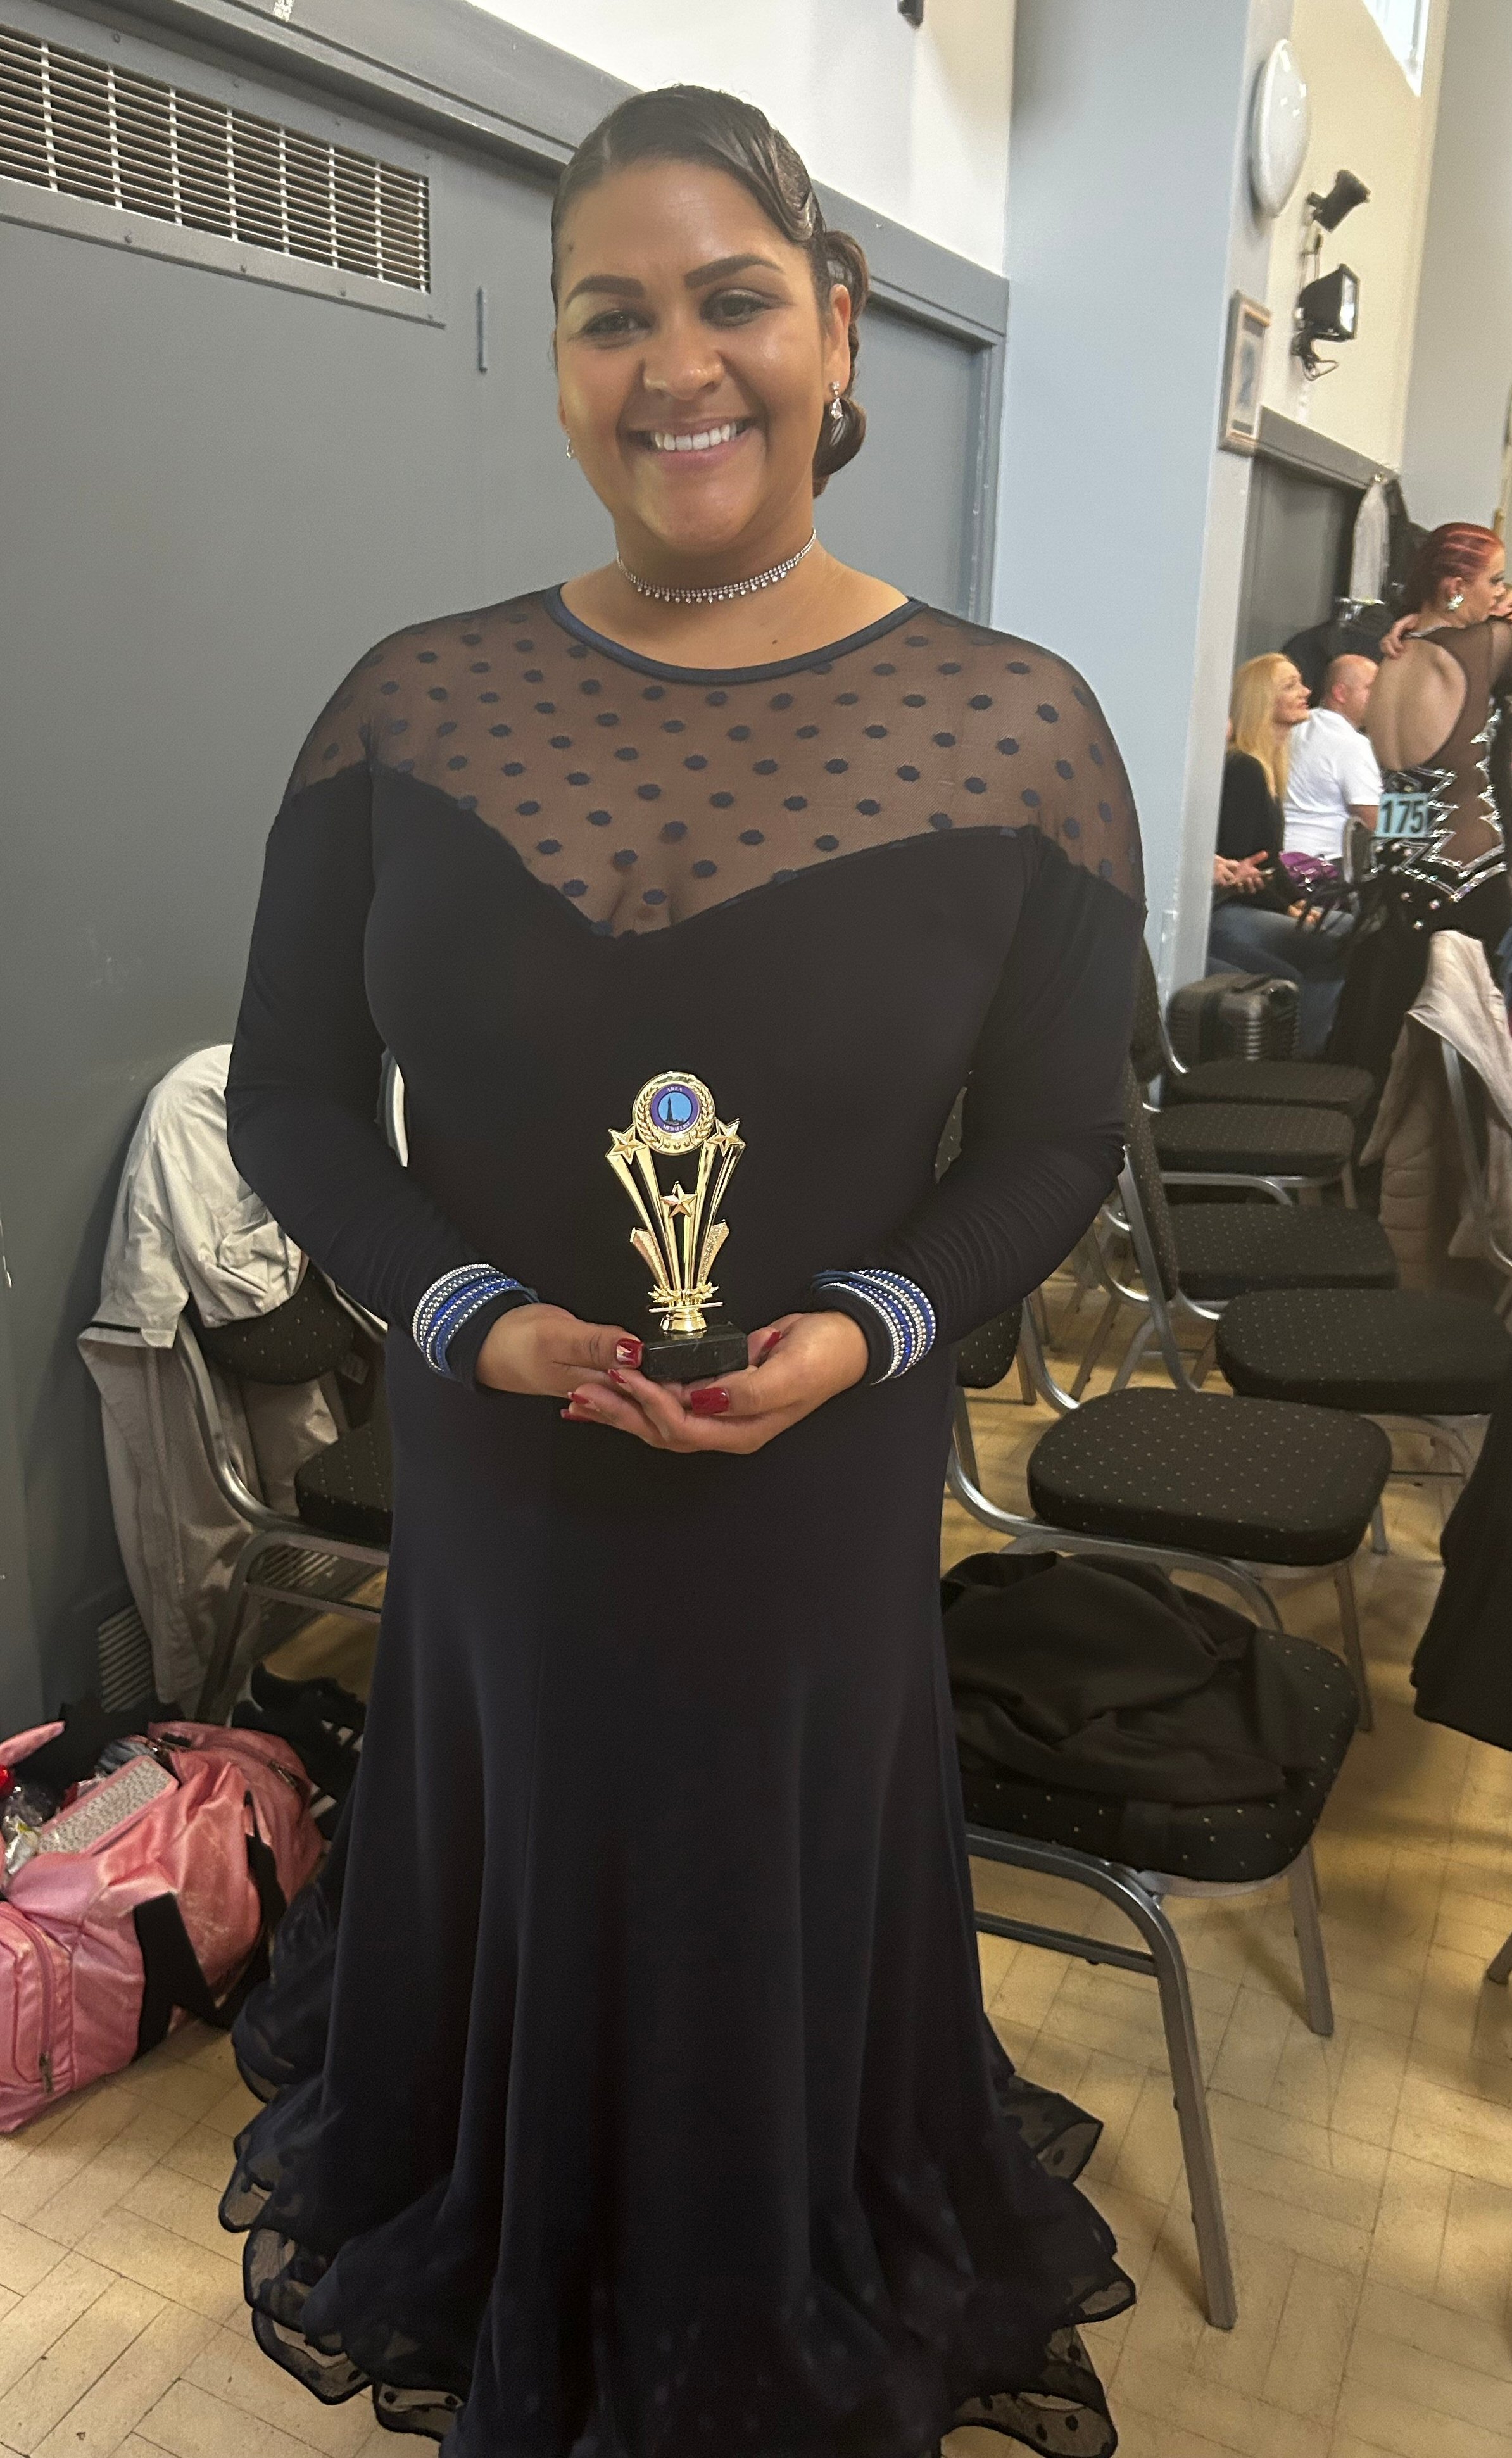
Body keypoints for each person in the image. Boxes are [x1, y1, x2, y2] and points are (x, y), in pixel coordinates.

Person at [217, 85, 1141, 2458]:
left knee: (766, 1870)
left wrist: (871, 1329)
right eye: (607, 315)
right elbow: (291, 1096)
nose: (676, 366)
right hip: (504, 1480)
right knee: (519, 1837)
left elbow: (1060, 1133)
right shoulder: (409, 706)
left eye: (732, 299)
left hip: (812, 1488)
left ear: (838, 323)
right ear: (554, 360)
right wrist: (463, 1315)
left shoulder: (1015, 731)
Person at [1331, 522, 1512, 1080]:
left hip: (1398, 868)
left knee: (1396, 1024)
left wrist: (1413, 618)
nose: (1502, 594)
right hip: (1467, 875)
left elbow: (1406, 791)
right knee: (1459, 1045)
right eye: (1496, 581)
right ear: (1455, 586)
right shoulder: (1479, 647)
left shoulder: (1394, 656)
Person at [1208, 653, 1351, 1052]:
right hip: (1230, 909)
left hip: (1255, 898)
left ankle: (1311, 1052)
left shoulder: (1269, 764)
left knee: (1344, 932)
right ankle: (1307, 1057)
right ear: (1262, 700)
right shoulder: (1247, 768)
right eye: (1291, 685)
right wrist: (1289, 907)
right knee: (1346, 939)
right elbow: (1246, 865)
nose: (1307, 692)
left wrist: (1295, 903)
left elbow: (1266, 859)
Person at [1282, 653, 1381, 869]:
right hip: (1323, 866)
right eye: (1371, 688)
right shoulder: (1352, 743)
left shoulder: (1295, 726)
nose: (1379, 697)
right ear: (1340, 693)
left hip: (1283, 858)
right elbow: (1373, 820)